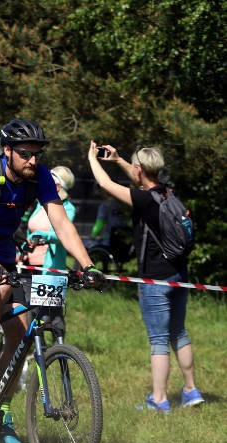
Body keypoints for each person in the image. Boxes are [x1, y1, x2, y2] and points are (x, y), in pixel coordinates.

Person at [0, 119, 103, 443]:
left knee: (22, 330)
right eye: (24, 153)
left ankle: (0, 414)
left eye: (37, 153)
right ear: (7, 150)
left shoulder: (40, 177)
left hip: (3, 253)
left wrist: (87, 266)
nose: (32, 159)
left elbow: (61, 222)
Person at [88, 142, 203, 411]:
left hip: (155, 280)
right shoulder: (166, 193)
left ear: (140, 169)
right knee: (179, 332)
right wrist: (118, 161)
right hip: (179, 274)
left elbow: (105, 185)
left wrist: (92, 158)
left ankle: (159, 400)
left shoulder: (142, 199)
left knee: (159, 339)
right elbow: (141, 176)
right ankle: (191, 390)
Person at [24, 166, 77, 269]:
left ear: (57, 186)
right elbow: (30, 234)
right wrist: (20, 250)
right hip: (28, 263)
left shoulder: (69, 209)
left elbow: (63, 235)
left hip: (51, 266)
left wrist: (40, 235)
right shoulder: (40, 204)